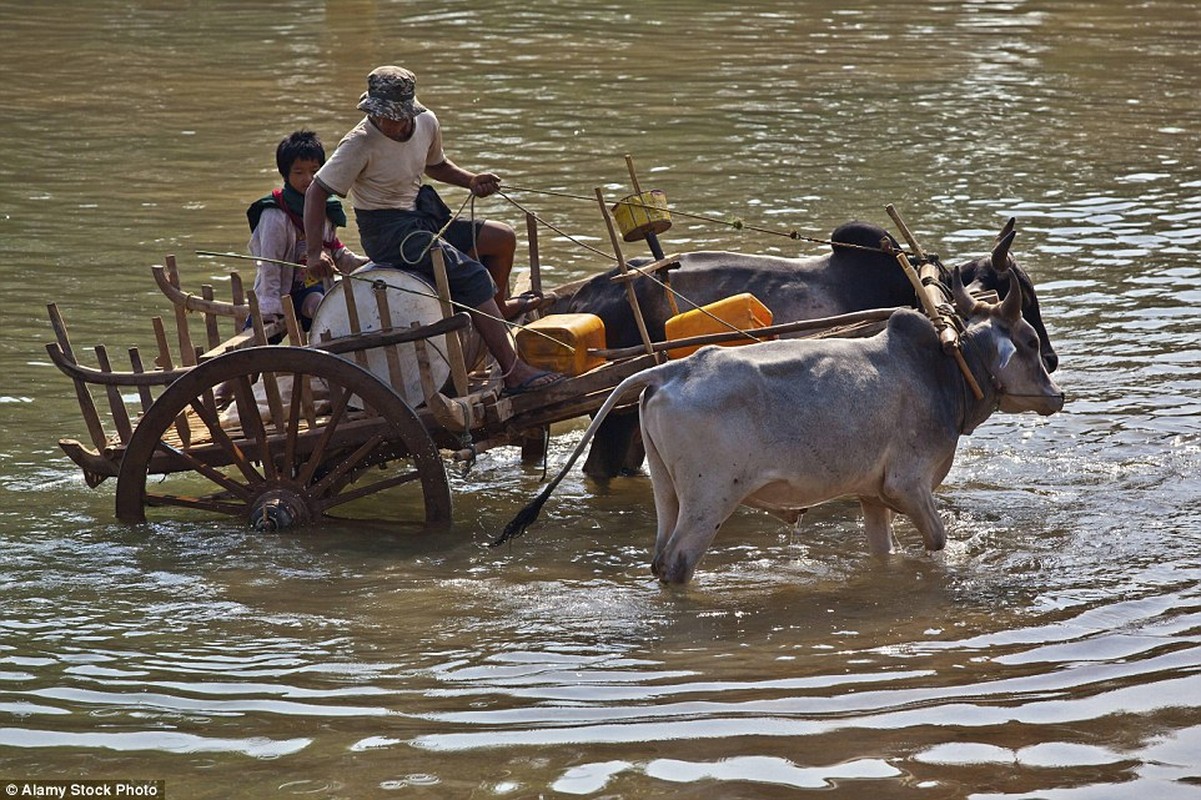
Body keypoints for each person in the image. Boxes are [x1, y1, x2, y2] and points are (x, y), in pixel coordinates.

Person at [303, 65, 561, 395]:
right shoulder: (359, 143)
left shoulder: (426, 122)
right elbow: (316, 191)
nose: (389, 123)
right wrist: (314, 251)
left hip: (423, 216)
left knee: (501, 237)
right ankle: (514, 371)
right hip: (387, 232)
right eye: (383, 116)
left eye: (395, 116)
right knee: (471, 275)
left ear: (410, 110)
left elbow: (436, 164)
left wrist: (470, 179)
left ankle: (498, 307)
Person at [246, 130, 368, 330]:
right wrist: (269, 309)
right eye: (299, 172)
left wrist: (363, 264)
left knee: (321, 305)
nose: (308, 178)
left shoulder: (325, 208)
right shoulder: (275, 214)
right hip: (281, 291)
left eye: (314, 171)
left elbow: (334, 250)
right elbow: (270, 266)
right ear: (285, 174)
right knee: (259, 339)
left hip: (310, 289)